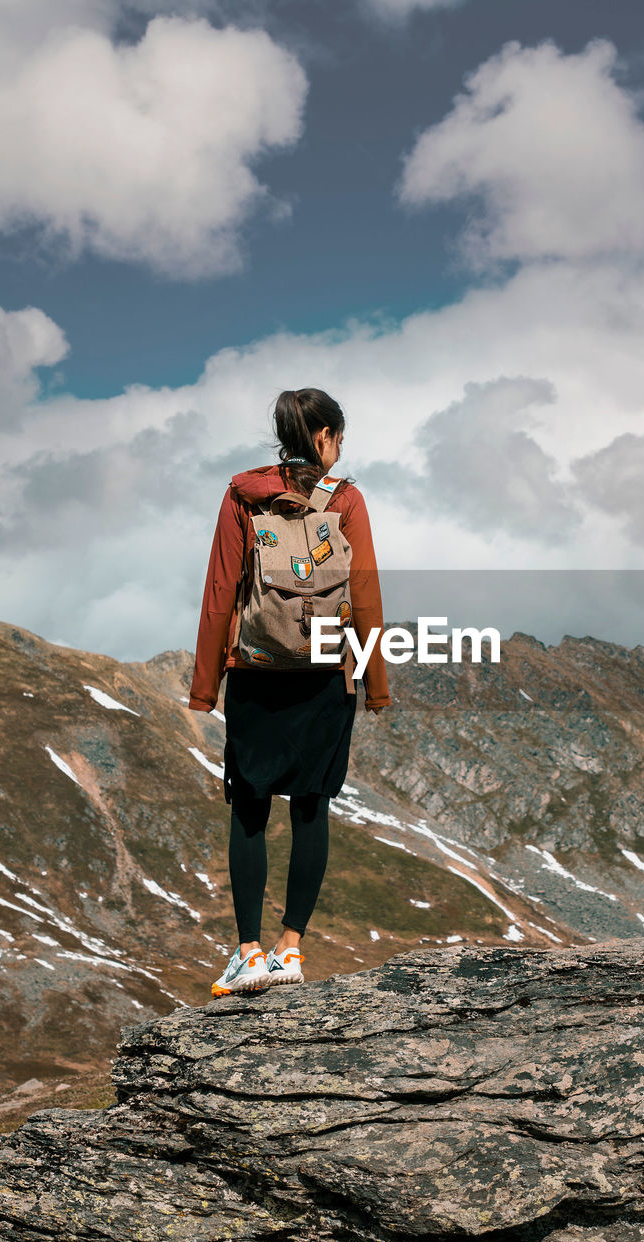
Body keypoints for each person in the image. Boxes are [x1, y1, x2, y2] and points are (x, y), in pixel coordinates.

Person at [188, 388, 391, 998]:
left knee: (250, 807)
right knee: (311, 807)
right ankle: (291, 949)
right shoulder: (347, 501)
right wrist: (374, 684)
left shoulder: (243, 497)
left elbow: (221, 589)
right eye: (339, 439)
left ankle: (247, 950)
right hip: (326, 678)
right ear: (325, 435)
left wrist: (206, 687)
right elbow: (367, 595)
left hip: (256, 673)